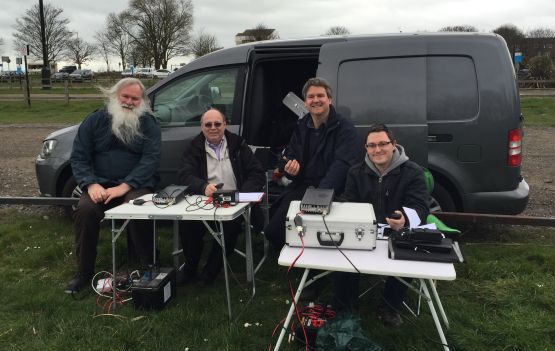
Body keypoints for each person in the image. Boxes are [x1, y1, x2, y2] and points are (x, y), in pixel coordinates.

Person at [66, 77, 161, 294]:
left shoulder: (149, 124)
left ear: (142, 101)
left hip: (136, 185)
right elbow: (79, 156)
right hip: (99, 185)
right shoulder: (94, 120)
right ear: (115, 96)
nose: (129, 102)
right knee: (85, 210)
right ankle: (83, 271)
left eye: (134, 98)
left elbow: (151, 160)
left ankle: (149, 264)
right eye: (125, 96)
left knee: (137, 206)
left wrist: (125, 186)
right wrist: (90, 184)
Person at [332, 123, 430, 326]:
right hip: (363, 230)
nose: (377, 150)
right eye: (371, 145)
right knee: (342, 252)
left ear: (394, 144)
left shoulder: (413, 172)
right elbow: (347, 200)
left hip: (398, 232)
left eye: (382, 144)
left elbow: (421, 207)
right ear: (366, 148)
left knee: (405, 255)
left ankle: (390, 306)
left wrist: (404, 219)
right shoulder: (355, 172)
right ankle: (346, 307)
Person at [264, 77, 363, 250]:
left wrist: (317, 199)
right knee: (273, 231)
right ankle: (300, 257)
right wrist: (290, 170)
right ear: (305, 101)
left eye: (320, 95)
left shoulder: (345, 129)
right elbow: (291, 156)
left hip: (334, 192)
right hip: (303, 187)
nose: (315, 100)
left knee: (308, 232)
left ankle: (313, 264)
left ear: (329, 99)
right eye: (311, 97)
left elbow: (341, 167)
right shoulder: (302, 125)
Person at [177, 108, 265, 285]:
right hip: (205, 200)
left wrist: (240, 195)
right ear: (202, 127)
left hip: (235, 202)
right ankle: (190, 268)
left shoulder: (238, 144)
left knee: (230, 226)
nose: (213, 128)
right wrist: (202, 186)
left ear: (225, 125)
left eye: (217, 124)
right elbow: (184, 174)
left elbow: (257, 173)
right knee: (186, 224)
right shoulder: (194, 146)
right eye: (208, 124)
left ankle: (210, 273)